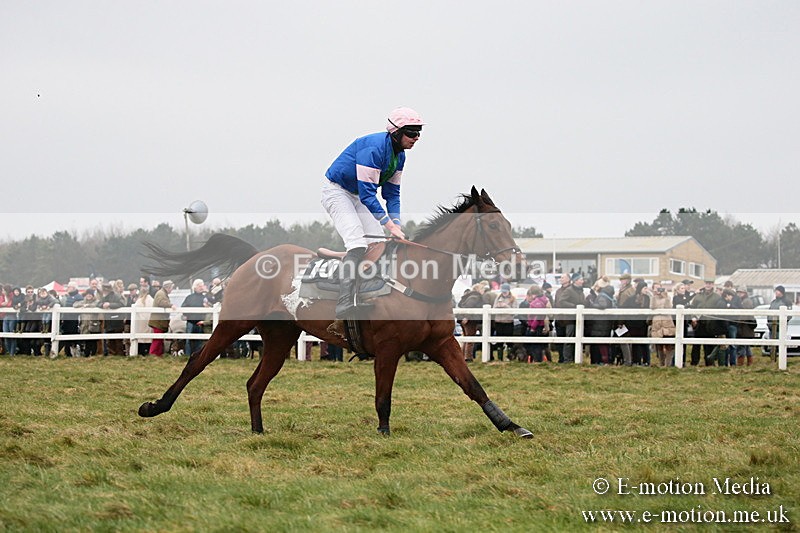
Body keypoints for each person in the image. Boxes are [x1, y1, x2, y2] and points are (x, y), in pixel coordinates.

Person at [321, 107, 424, 318]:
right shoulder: (374, 148)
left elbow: (392, 194)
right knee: (357, 243)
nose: (416, 138)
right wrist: (390, 225)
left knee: (379, 244)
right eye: (412, 133)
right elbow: (369, 195)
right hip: (337, 193)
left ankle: (370, 293)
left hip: (358, 196)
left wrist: (397, 225)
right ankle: (344, 302)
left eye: (419, 132)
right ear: (396, 132)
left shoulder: (399, 156)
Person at [690, 279, 726, 366]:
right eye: (707, 283)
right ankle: (694, 362)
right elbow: (692, 308)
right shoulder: (698, 296)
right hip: (699, 323)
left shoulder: (717, 297)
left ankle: (708, 362)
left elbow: (719, 310)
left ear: (713, 285)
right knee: (696, 345)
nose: (708, 285)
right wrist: (693, 318)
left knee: (708, 344)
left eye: (710, 283)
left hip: (710, 324)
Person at [554, 273, 585, 363]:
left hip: (575, 318)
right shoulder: (568, 290)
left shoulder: (580, 291)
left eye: (563, 277)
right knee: (568, 339)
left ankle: (573, 358)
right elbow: (560, 302)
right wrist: (574, 306)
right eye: (581, 279)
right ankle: (566, 359)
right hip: (567, 318)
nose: (582, 281)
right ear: (575, 280)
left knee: (574, 339)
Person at [585, 277, 615, 365]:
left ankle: (603, 361)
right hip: (605, 323)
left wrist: (592, 304)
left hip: (599, 323)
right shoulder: (609, 295)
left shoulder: (602, 295)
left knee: (600, 343)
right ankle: (605, 360)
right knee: (603, 343)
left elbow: (603, 305)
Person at [182, 278, 211, 357]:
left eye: (202, 285)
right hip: (191, 322)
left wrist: (207, 292)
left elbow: (213, 302)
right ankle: (187, 356)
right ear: (194, 287)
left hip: (200, 323)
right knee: (189, 340)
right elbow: (183, 308)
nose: (201, 287)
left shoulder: (205, 298)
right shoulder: (189, 297)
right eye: (199, 286)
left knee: (199, 341)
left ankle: (197, 356)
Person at [649, 282, 676, 366]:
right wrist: (654, 296)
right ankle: (661, 363)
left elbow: (669, 307)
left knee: (669, 345)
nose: (658, 290)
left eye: (659, 288)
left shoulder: (667, 297)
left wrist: (665, 297)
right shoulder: (652, 297)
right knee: (659, 345)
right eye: (656, 288)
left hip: (667, 322)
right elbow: (652, 307)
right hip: (657, 323)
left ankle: (668, 364)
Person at [148, 280, 175, 356]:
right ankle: (153, 354)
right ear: (168, 287)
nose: (172, 289)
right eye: (171, 288)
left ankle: (158, 354)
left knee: (159, 339)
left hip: (159, 321)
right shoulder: (161, 294)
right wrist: (171, 305)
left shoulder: (162, 293)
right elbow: (161, 303)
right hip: (158, 321)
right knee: (157, 339)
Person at [490, 283, 516, 361]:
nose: (504, 293)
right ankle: (500, 358)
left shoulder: (513, 299)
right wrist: (498, 306)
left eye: (505, 291)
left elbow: (515, 311)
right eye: (503, 291)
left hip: (508, 321)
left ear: (509, 291)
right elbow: (493, 308)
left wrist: (506, 306)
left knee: (509, 340)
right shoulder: (498, 298)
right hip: (499, 321)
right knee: (499, 340)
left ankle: (509, 357)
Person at [768, 285, 793, 361]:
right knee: (772, 344)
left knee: (781, 343)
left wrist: (782, 322)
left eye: (777, 291)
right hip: (771, 326)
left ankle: (782, 360)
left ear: (781, 292)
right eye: (775, 291)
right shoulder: (773, 302)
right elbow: (769, 312)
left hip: (780, 326)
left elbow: (789, 315)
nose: (776, 292)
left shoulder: (786, 302)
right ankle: (773, 359)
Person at [99, 282, 125, 355]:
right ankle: (113, 354)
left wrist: (110, 305)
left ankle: (119, 355)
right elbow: (98, 304)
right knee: (110, 340)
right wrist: (102, 305)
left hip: (117, 321)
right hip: (109, 322)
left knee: (118, 340)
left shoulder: (117, 296)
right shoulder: (104, 298)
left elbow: (122, 304)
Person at [73, 289, 100, 356]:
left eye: (90, 294)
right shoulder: (83, 302)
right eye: (87, 294)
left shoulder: (96, 302)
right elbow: (75, 305)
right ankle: (86, 354)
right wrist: (82, 305)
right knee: (86, 341)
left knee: (93, 341)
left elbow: (97, 304)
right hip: (84, 324)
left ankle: (93, 354)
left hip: (93, 325)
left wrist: (87, 306)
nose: (89, 296)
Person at [61, 282, 84, 357]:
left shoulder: (78, 297)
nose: (67, 288)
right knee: (66, 334)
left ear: (73, 288)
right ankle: (67, 352)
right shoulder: (66, 297)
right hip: (66, 319)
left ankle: (77, 351)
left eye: (69, 287)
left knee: (74, 335)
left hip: (74, 319)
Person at [132, 284, 154, 355]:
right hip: (148, 323)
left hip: (140, 324)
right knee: (148, 339)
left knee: (141, 339)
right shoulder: (151, 300)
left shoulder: (139, 301)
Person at [736, 286, 756, 366]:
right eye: (738, 292)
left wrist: (739, 322)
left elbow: (744, 315)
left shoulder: (746, 302)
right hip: (746, 328)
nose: (739, 294)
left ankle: (741, 363)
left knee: (742, 346)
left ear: (745, 293)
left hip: (745, 328)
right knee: (746, 346)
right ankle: (749, 362)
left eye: (741, 292)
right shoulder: (744, 301)